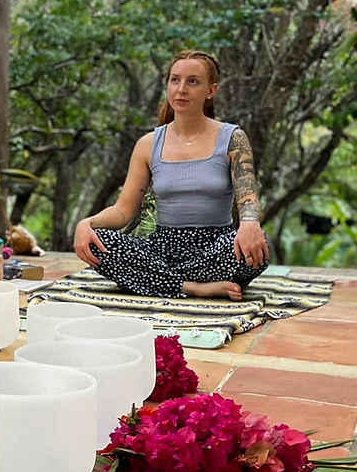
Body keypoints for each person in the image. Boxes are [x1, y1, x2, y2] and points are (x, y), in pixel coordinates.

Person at [73, 50, 270, 301]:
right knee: (95, 242)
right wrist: (86, 224)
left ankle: (160, 281)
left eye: (193, 81)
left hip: (216, 247)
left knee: (258, 245)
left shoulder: (232, 138)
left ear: (210, 90)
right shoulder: (147, 144)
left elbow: (248, 198)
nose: (181, 89)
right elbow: (123, 211)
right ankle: (193, 286)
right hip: (162, 247)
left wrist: (250, 224)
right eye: (175, 80)